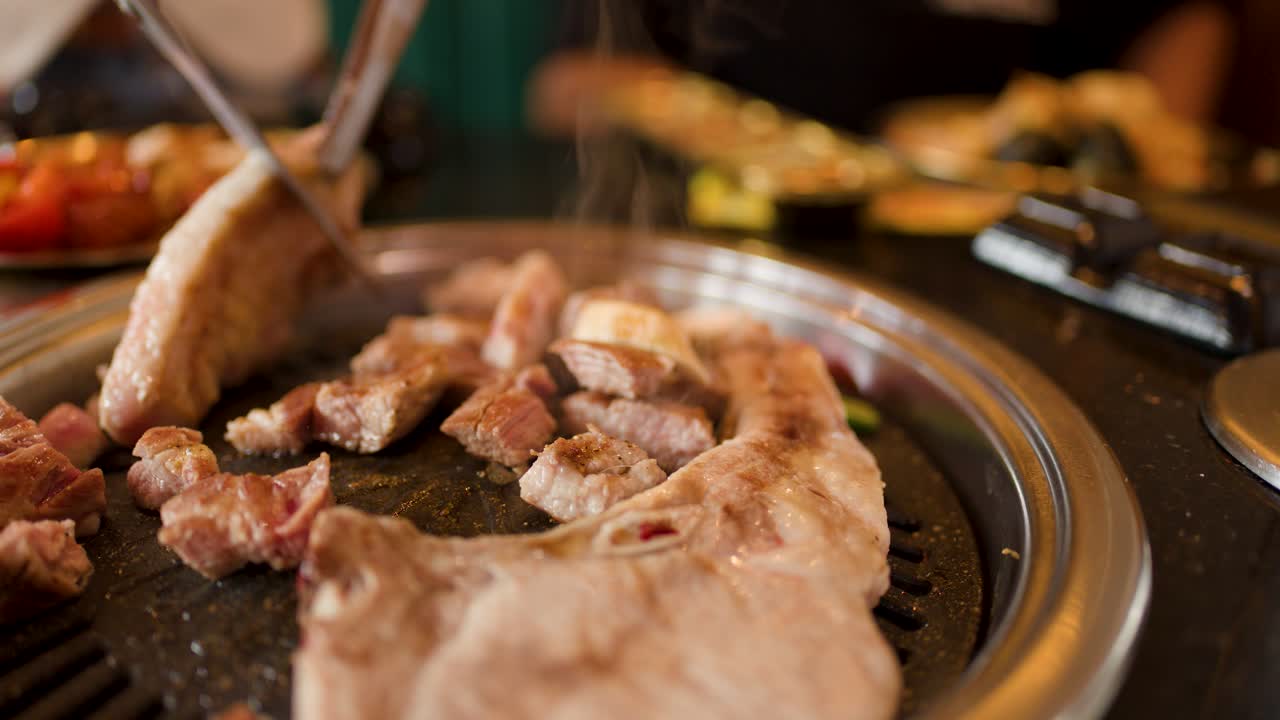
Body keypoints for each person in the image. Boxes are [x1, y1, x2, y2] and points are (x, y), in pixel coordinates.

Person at [531, 0, 1236, 135]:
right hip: (740, 242)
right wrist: (758, 146)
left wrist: (1141, 139)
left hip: (1015, 252)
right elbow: (562, 90)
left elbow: (1187, 19)